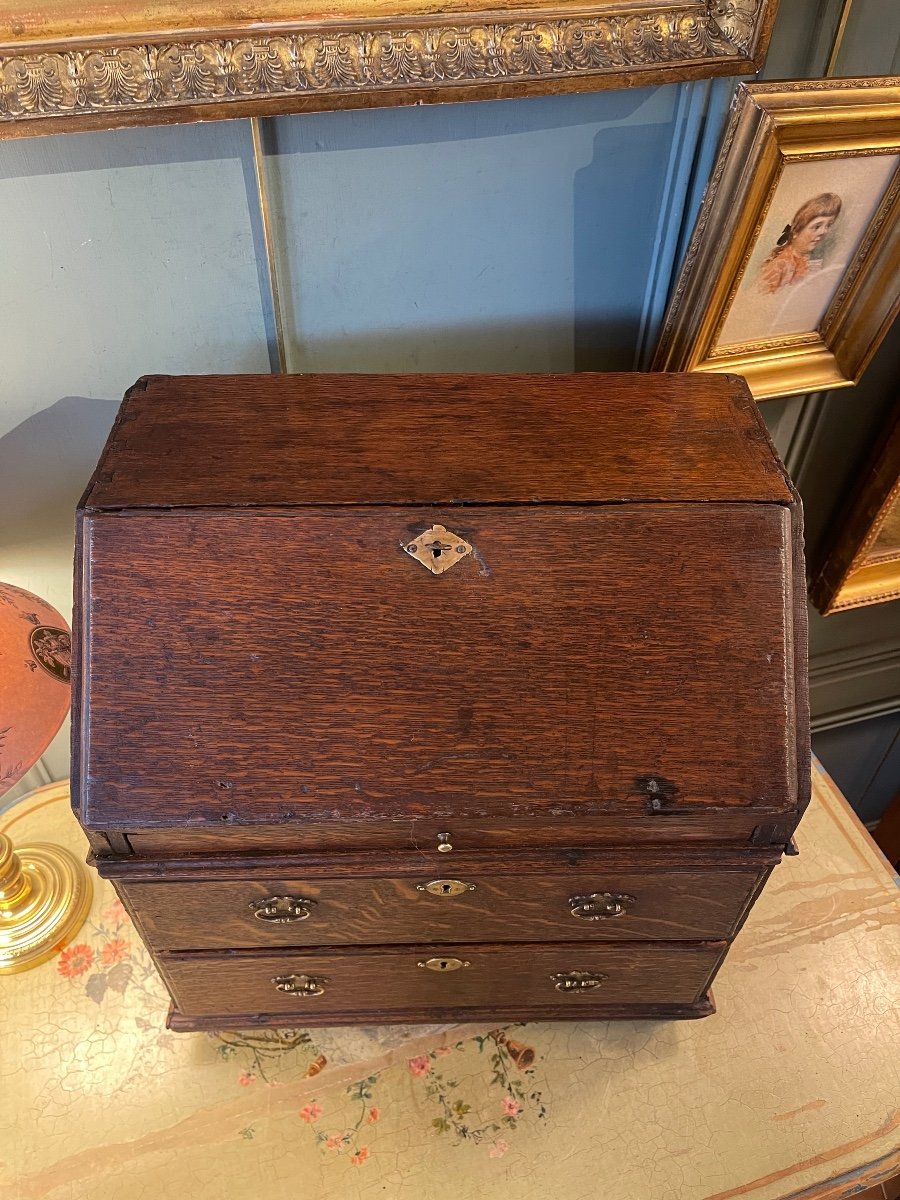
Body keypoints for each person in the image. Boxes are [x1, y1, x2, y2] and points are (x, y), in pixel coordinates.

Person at [757, 193, 842, 294]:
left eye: (828, 225)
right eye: (817, 226)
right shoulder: (780, 265)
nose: (823, 232)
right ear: (797, 230)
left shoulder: (807, 261)